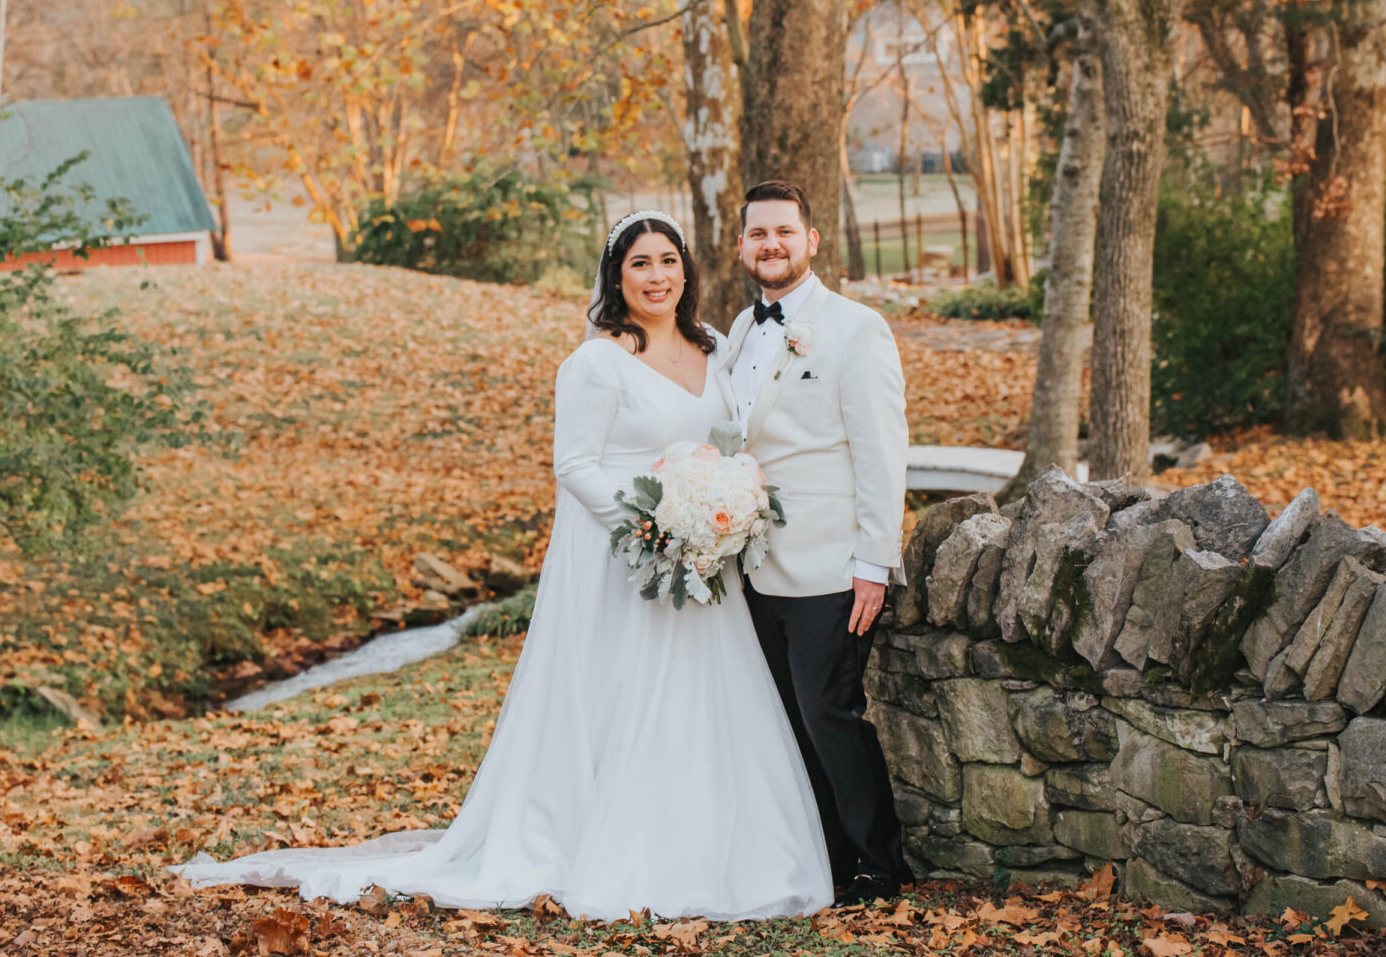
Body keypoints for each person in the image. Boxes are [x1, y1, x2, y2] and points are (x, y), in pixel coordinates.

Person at [171, 211, 833, 921]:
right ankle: (610, 840)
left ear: (687, 269)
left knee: (705, 701)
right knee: (621, 698)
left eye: (667, 260)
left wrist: (718, 514)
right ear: (616, 277)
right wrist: (652, 526)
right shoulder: (595, 362)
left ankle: (718, 843)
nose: (657, 275)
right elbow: (573, 463)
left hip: (702, 565)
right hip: (622, 556)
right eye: (639, 263)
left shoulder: (715, 346)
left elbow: (727, 442)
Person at [725, 180, 913, 906]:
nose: (770, 244)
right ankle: (825, 856)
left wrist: (875, 563)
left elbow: (880, 452)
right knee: (787, 721)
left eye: (783, 231)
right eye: (757, 234)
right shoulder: (740, 331)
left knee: (829, 714)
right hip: (753, 565)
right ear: (741, 246)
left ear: (812, 240)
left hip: (831, 566)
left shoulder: (856, 328)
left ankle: (878, 860)